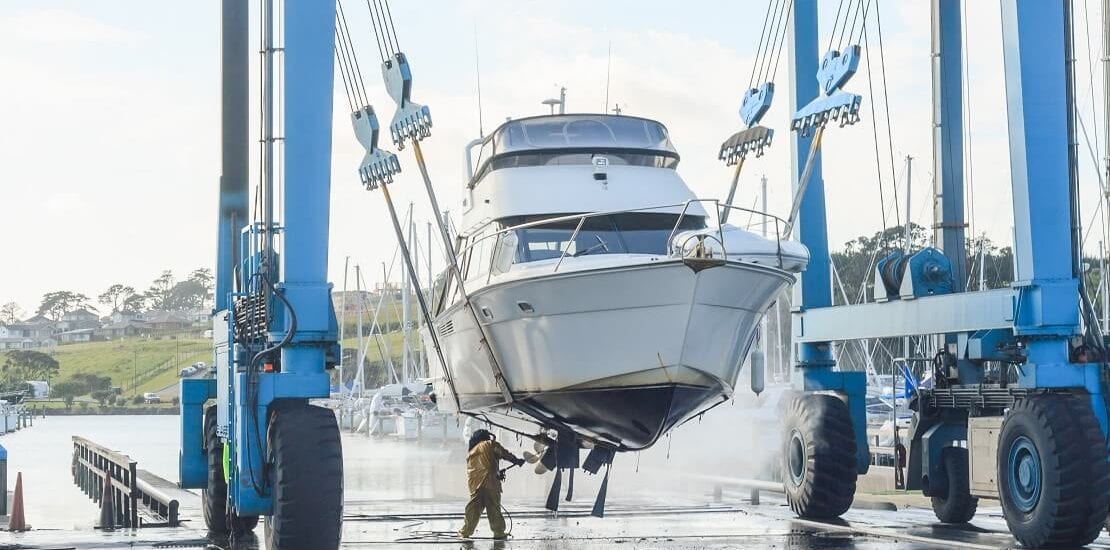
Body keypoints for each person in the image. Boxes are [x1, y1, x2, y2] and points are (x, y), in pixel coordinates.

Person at [458, 429, 525, 539]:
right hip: (491, 483)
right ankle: (498, 532)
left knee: (472, 510)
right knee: (494, 509)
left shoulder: (471, 452)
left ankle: (465, 532)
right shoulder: (489, 444)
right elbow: (503, 453)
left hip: (476, 486)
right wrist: (516, 460)